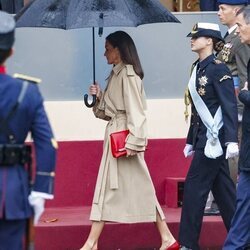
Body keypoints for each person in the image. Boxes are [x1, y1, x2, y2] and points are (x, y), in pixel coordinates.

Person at [80, 31, 179, 250]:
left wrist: (134, 142)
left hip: (124, 140)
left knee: (108, 188)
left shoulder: (128, 75)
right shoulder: (116, 75)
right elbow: (110, 113)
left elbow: (137, 111)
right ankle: (167, 238)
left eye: (107, 48)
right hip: (119, 136)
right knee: (139, 187)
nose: (104, 53)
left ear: (118, 50)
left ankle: (91, 243)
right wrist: (99, 97)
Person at [0, 11, 57, 249]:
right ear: (11, 51)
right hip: (10, 194)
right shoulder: (27, 92)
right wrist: (41, 191)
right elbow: (47, 144)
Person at [179, 22, 239, 250]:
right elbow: (197, 110)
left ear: (210, 41)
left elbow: (229, 106)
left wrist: (231, 139)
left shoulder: (218, 68)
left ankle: (188, 243)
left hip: (214, 141)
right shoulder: (198, 67)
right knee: (225, 194)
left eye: (198, 36)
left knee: (194, 191)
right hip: (203, 139)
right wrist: (189, 140)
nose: (192, 40)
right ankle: (243, 237)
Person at [223, 5, 250, 249]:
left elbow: (243, 82)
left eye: (241, 25)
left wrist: (243, 96)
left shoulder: (242, 47)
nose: (238, 30)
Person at [217, 0, 250, 184]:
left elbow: (245, 71)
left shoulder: (242, 38)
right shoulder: (229, 38)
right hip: (228, 102)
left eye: (223, 8)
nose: (218, 12)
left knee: (234, 152)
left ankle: (234, 194)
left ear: (236, 10)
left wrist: (242, 105)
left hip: (237, 105)